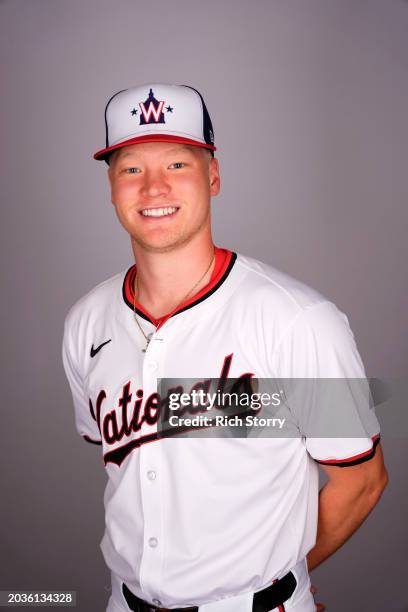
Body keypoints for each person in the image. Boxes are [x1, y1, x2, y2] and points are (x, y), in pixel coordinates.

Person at [62, 84, 388, 612]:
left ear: (213, 176)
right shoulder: (85, 322)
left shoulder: (297, 321)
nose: (152, 188)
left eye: (176, 164)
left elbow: (363, 482)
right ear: (111, 186)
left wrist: (282, 582)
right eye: (130, 169)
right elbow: (128, 461)